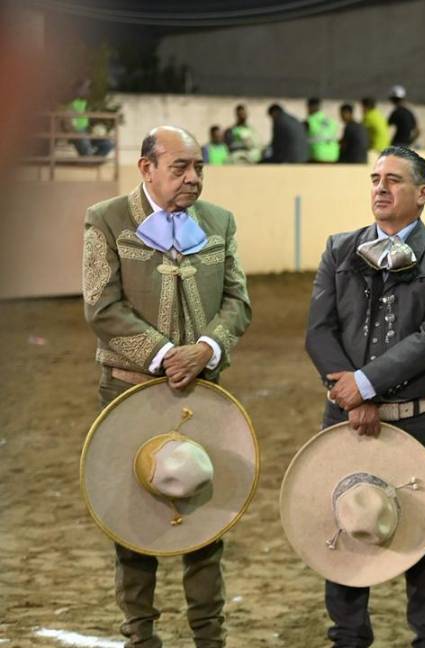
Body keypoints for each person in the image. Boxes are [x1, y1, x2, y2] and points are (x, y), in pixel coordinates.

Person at [82, 125, 252, 647]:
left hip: (203, 391)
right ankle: (141, 636)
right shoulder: (107, 219)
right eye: (180, 167)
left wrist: (206, 349)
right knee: (131, 521)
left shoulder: (220, 221)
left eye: (198, 167)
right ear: (147, 168)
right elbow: (101, 306)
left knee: (205, 519)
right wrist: (163, 355)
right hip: (129, 392)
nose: (193, 177)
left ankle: (209, 638)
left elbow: (238, 301)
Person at [305, 146, 425, 648]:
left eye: (394, 180)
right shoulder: (339, 248)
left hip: (416, 423)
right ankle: (348, 639)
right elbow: (319, 330)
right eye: (376, 178)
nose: (380, 187)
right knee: (346, 529)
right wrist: (352, 394)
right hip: (345, 415)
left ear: (423, 193)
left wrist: (365, 384)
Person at [65, 77, 113, 158]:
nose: (88, 91)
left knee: (108, 144)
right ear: (77, 90)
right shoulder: (71, 104)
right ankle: (89, 159)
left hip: (88, 132)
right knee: (86, 147)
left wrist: (96, 129)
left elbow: (92, 121)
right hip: (79, 134)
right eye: (85, 88)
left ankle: (93, 160)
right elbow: (69, 125)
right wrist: (76, 132)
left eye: (88, 88)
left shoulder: (87, 104)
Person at [306, 97, 340, 163]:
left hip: (317, 156)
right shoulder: (331, 121)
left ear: (310, 107)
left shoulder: (309, 121)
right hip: (333, 156)